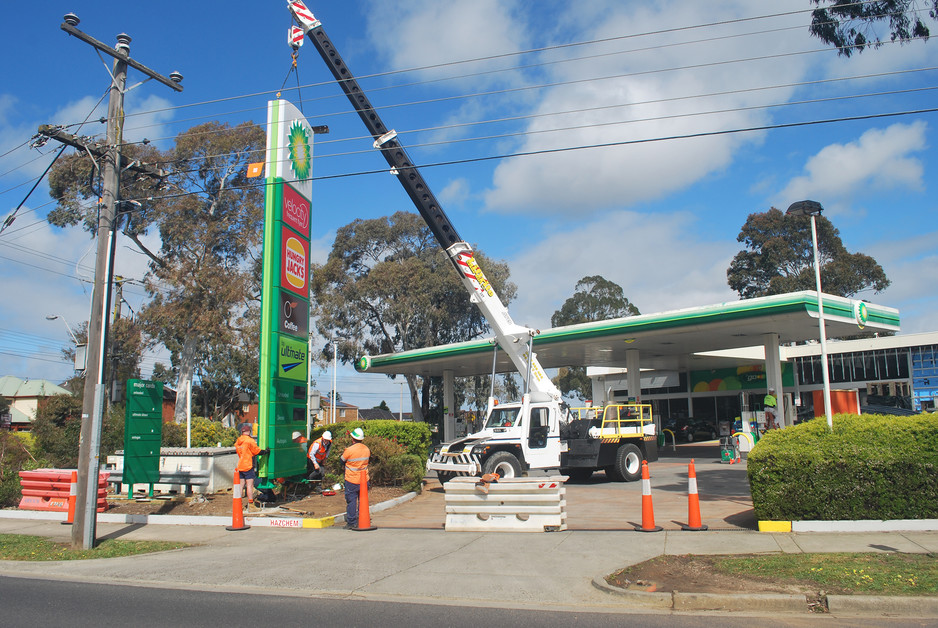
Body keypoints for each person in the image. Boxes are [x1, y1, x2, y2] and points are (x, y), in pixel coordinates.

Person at [340, 427, 369, 530]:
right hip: (364, 479)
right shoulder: (366, 449)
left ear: (353, 438)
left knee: (351, 501)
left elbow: (342, 460)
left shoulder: (349, 450)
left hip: (351, 479)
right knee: (363, 501)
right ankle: (362, 519)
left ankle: (351, 522)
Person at [235, 423, 268, 511]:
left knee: (241, 485)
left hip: (240, 465)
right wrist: (265, 452)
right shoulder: (250, 441)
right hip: (248, 465)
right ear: (249, 432)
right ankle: (251, 504)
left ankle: (238, 504)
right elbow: (257, 451)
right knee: (250, 485)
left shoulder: (238, 441)